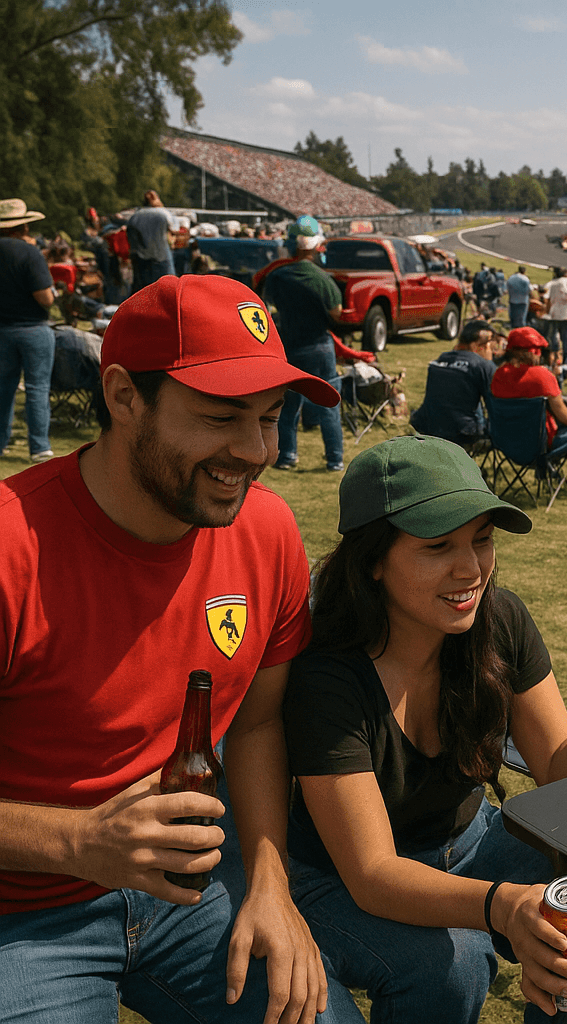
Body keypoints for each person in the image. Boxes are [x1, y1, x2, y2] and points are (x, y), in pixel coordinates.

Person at [0, 274, 342, 1023]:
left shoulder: (269, 532)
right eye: (221, 416)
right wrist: (77, 841)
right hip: (20, 921)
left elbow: (256, 722)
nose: (255, 452)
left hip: (196, 895)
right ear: (123, 396)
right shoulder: (10, 549)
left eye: (272, 417)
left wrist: (269, 886)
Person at [283, 435, 567, 1021]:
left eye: (481, 540)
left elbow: (563, 778)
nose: (470, 568)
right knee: (453, 965)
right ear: (374, 561)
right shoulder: (329, 677)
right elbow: (373, 873)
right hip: (332, 879)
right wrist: (502, 908)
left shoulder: (498, 620)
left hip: (470, 842)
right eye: (438, 546)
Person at [264, 215, 345, 472]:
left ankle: (287, 455)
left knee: (287, 406)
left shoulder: (278, 276)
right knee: (329, 406)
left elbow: (267, 308)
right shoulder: (323, 279)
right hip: (320, 346)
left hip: (290, 347)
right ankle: (334, 459)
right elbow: (337, 313)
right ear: (316, 245)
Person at [490, 327, 567, 503]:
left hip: (504, 443)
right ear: (528, 353)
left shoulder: (499, 374)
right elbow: (565, 418)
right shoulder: (542, 376)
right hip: (538, 448)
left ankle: (550, 474)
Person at [0, 199, 56, 463]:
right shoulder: (29, 252)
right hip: (33, 328)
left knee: (4, 389)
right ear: (22, 225)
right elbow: (45, 298)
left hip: (2, 329)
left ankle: (1, 443)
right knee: (37, 388)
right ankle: (39, 447)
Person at [410, 319, 498, 449]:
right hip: (462, 432)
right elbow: (495, 407)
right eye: (490, 345)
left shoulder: (441, 359)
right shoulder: (483, 366)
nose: (492, 350)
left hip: (427, 427)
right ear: (478, 345)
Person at [126, 190, 177, 294]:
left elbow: (130, 237)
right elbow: (174, 230)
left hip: (140, 259)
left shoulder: (135, 216)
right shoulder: (163, 213)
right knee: (168, 290)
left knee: (142, 291)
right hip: (161, 257)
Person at [544, 268, 567, 362]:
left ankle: (554, 357)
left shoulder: (551, 283)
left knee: (553, 338)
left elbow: (545, 298)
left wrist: (547, 311)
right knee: (566, 340)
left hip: (554, 316)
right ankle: (566, 360)